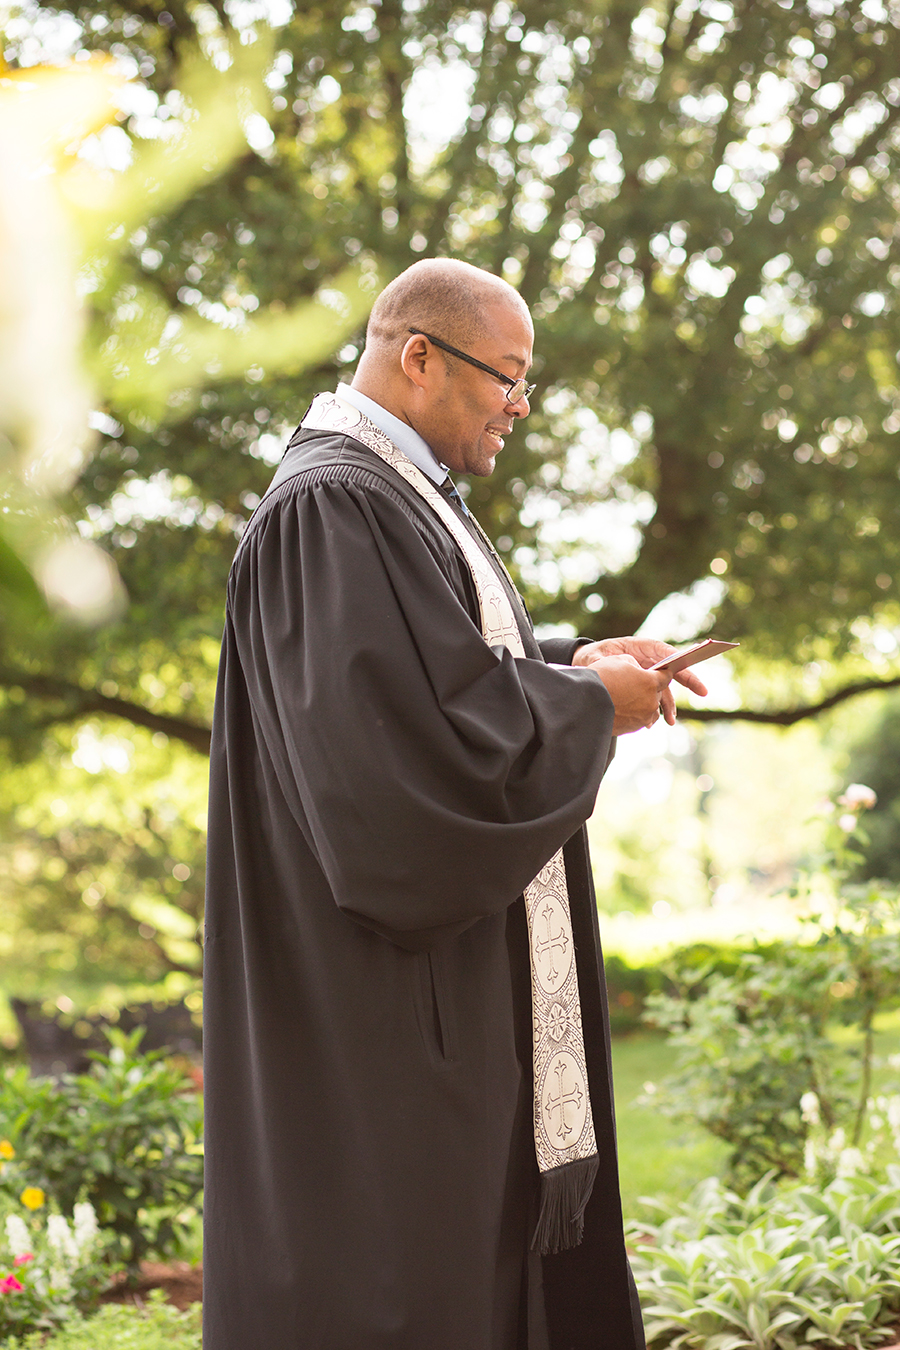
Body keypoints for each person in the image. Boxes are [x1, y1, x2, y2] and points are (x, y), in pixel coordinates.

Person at [202, 258, 707, 1350]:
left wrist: (580, 664)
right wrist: (588, 707)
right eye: (508, 376)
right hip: (383, 1011)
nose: (522, 403)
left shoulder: (395, 494)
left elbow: (448, 674)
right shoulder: (336, 505)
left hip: (442, 998)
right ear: (417, 357)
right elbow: (405, 766)